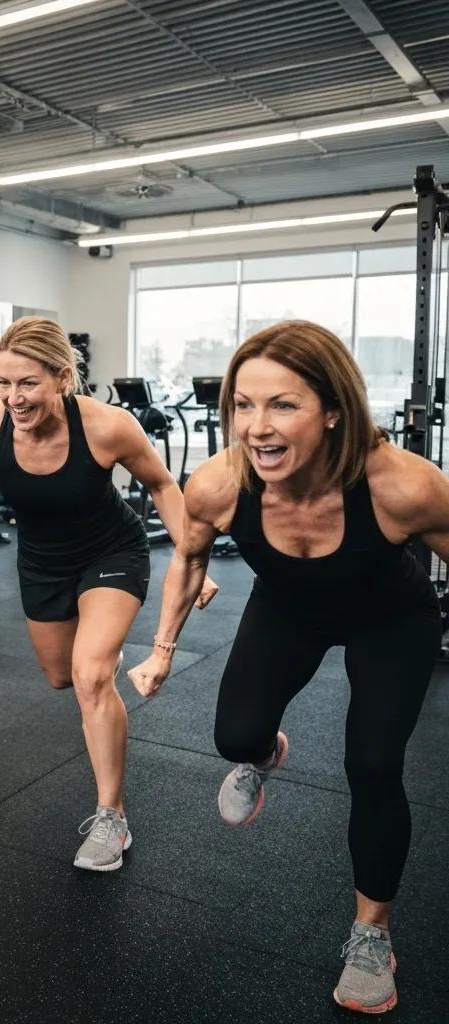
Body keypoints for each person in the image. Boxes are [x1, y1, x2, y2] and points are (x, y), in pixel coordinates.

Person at [128, 320, 446, 1014]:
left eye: (282, 405)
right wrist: (160, 651)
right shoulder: (217, 484)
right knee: (234, 738)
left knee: (372, 763)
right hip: (290, 609)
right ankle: (265, 753)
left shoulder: (404, 486)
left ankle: (370, 934)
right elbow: (187, 555)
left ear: (334, 409)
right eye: (243, 404)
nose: (256, 427)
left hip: (391, 620)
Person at [0, 317, 216, 870]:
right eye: (5, 383)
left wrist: (191, 556)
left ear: (62, 378)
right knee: (62, 676)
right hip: (42, 562)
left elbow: (163, 484)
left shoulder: (106, 427)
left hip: (112, 552)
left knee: (90, 676)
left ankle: (111, 817)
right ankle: (98, 677)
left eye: (29, 384)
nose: (14, 398)